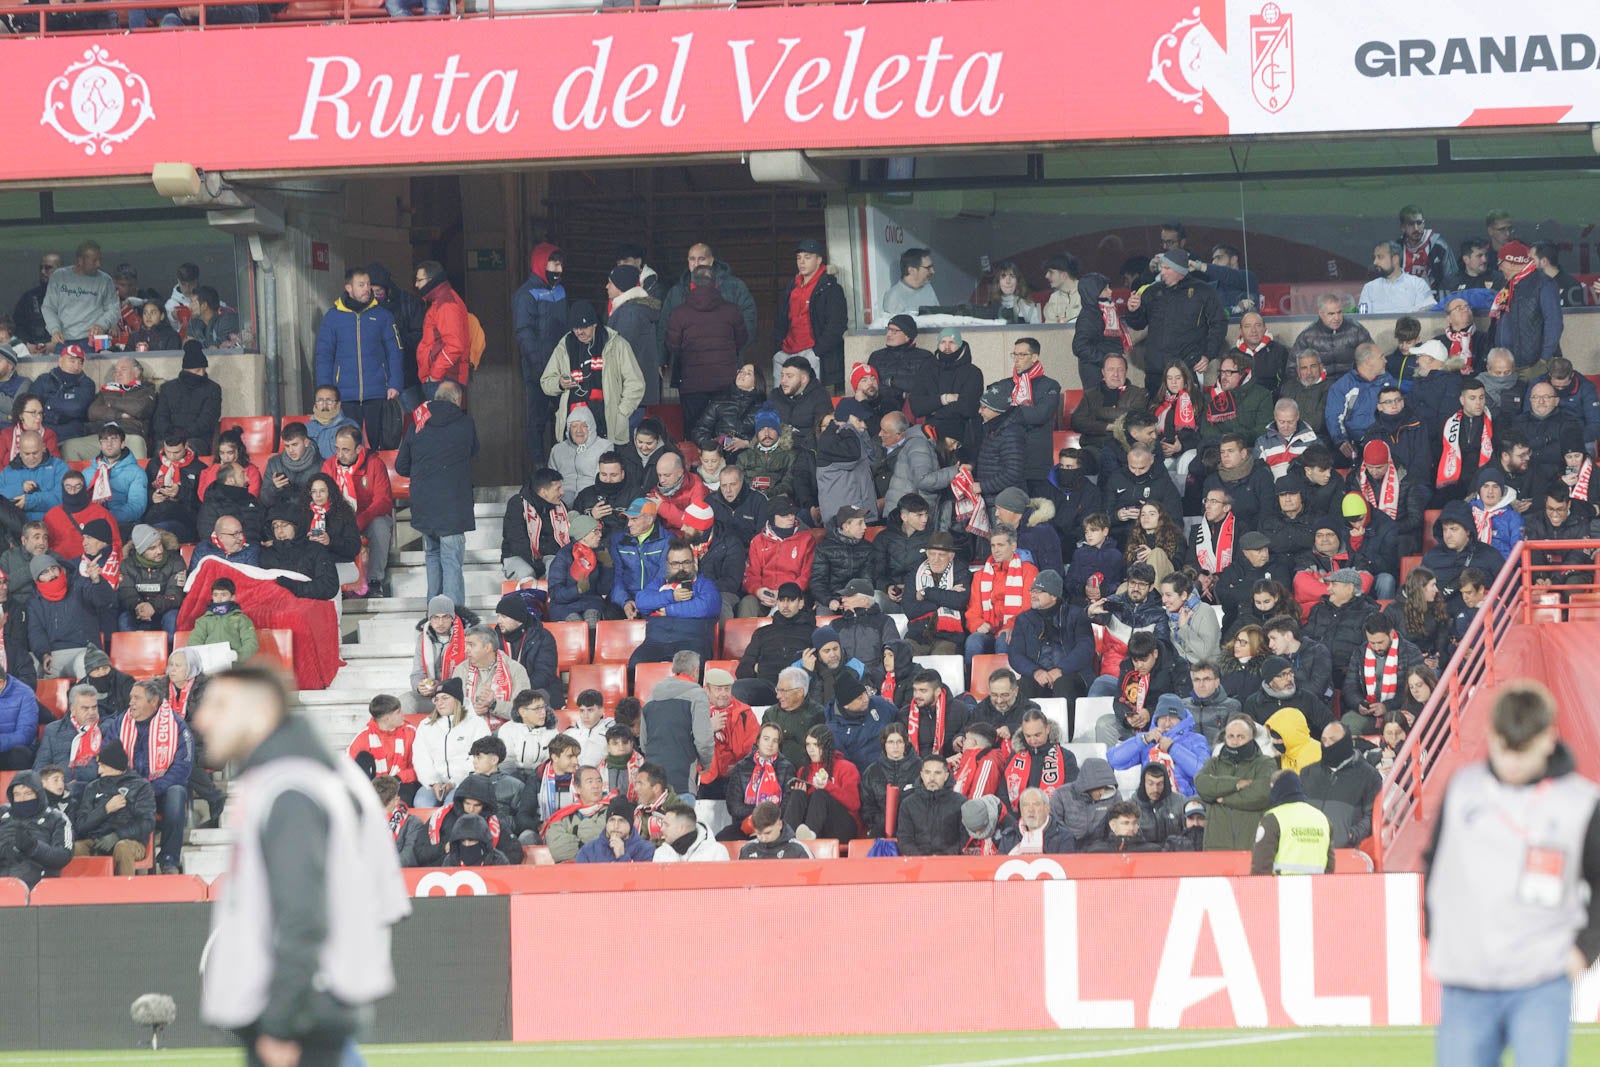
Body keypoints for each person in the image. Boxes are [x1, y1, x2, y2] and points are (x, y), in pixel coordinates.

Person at [195, 667, 408, 1066]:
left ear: (260, 713)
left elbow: (302, 912)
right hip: (315, 999)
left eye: (220, 705)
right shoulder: (309, 775)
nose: (202, 718)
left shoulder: (290, 789)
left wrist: (282, 1022)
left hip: (301, 1010)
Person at [1426, 681, 1600, 1065]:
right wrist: (1435, 932)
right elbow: (1435, 864)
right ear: (1491, 735)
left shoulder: (1581, 803)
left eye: (1523, 750)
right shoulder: (1463, 791)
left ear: (1548, 739)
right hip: (1466, 979)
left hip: (1541, 979)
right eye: (1504, 747)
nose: (1512, 762)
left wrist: (1584, 952)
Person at [396, 379, 478, 607]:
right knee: (451, 561)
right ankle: (454, 616)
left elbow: (401, 466)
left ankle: (433, 614)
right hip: (454, 505)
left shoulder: (418, 422)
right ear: (457, 400)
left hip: (424, 505)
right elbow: (474, 450)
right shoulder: (465, 424)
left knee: (433, 557)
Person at [107, 678, 193, 873]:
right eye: (130, 698)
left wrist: (153, 788)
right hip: (128, 789)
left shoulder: (177, 726)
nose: (131, 703)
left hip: (160, 790)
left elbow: (182, 768)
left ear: (153, 702)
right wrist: (132, 788)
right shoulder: (120, 724)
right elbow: (107, 758)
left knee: (177, 793)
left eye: (136, 698)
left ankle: (169, 859)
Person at [313, 267, 403, 448]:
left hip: (377, 392)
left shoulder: (383, 316)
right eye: (361, 285)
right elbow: (324, 355)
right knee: (348, 446)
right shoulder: (332, 317)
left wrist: (395, 383)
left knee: (379, 446)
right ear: (349, 288)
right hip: (344, 394)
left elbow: (395, 350)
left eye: (368, 284)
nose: (367, 289)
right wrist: (325, 391)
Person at [543, 300, 646, 451]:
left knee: (607, 464)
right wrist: (559, 383)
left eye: (584, 327)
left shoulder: (616, 344)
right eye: (575, 328)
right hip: (574, 425)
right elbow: (546, 382)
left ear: (595, 324)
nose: (579, 332)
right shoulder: (564, 345)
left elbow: (635, 383)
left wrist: (621, 413)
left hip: (607, 423)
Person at [1124, 248, 1226, 383]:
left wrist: (1208, 354)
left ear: (1180, 270)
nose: (1162, 272)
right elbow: (1138, 324)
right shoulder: (1152, 291)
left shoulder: (1203, 291)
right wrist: (1133, 310)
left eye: (1167, 268)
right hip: (1156, 369)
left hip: (1187, 368)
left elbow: (1219, 324)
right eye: (1162, 267)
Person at [322, 426, 395, 596]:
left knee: (380, 526)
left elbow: (383, 501)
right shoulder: (329, 465)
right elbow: (322, 498)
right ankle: (334, 581)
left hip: (367, 518)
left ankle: (375, 580)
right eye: (337, 449)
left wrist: (360, 520)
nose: (340, 455)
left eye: (346, 450)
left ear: (358, 449)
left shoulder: (374, 464)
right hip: (339, 519)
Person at [1007, 570, 1095, 706]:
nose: (1033, 595)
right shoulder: (1023, 619)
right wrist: (1036, 672)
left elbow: (1085, 649)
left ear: (1054, 595)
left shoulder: (1076, 615)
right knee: (1024, 685)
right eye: (1032, 591)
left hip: (1071, 674)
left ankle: (1068, 722)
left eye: (1038, 591)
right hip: (1036, 675)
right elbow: (1015, 654)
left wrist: (1060, 670)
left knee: (1063, 684)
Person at [69, 739, 157, 875]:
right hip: (96, 840)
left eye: (103, 766)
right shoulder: (92, 787)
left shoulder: (141, 786)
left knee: (122, 848)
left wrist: (117, 836)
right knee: (73, 849)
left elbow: (146, 823)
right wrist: (105, 810)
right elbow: (81, 825)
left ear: (115, 765)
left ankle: (124, 888)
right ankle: (79, 889)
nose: (99, 770)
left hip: (130, 841)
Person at [629, 538, 721, 668]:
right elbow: (641, 602)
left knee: (690, 667)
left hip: (691, 642)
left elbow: (706, 607)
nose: (681, 568)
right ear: (668, 565)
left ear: (694, 562)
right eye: (675, 564)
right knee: (635, 665)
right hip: (655, 643)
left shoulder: (704, 584)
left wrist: (669, 610)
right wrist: (672, 596)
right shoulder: (658, 584)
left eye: (686, 562)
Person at [514, 243, 567, 464]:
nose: (559, 269)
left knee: (563, 416)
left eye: (561, 264)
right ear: (540, 264)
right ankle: (539, 466)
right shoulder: (526, 294)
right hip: (538, 368)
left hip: (561, 368)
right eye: (554, 264)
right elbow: (524, 332)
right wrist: (538, 365)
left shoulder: (560, 291)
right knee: (537, 419)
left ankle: (561, 462)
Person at [771, 239, 847, 386]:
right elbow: (782, 320)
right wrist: (779, 347)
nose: (802, 262)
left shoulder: (830, 288)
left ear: (819, 260)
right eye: (798, 258)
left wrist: (817, 351)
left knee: (810, 395)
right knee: (781, 393)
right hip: (787, 350)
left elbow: (837, 325)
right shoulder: (793, 286)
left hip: (813, 352)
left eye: (807, 257)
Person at [638, 650, 714, 796]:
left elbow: (644, 742)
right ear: (696, 671)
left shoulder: (652, 695)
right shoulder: (697, 695)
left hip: (652, 780)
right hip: (682, 779)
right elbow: (704, 740)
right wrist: (705, 764)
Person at [1300, 721, 1381, 848]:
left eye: (1332, 740)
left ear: (1345, 742)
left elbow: (1372, 815)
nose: (1326, 745)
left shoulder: (1369, 775)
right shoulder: (1307, 773)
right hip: (1307, 849)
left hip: (1344, 851)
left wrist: (1351, 835)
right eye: (1324, 740)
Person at [1489, 240, 1562, 377]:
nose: (1499, 268)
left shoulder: (1543, 283)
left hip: (1532, 366)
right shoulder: (1508, 284)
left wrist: (1543, 361)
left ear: (1512, 262)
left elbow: (1554, 323)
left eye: (1500, 263)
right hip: (1507, 365)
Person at [411, 678, 489, 806]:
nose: (440, 703)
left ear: (457, 700)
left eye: (445, 698)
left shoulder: (476, 724)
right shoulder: (425, 725)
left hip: (464, 781)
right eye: (436, 699)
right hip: (435, 784)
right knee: (422, 803)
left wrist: (454, 782)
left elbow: (478, 758)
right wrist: (433, 783)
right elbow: (421, 758)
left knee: (451, 804)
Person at [909, 330, 985, 453]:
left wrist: (934, 409)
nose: (947, 347)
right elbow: (917, 407)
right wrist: (945, 399)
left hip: (964, 437)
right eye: (943, 342)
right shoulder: (927, 370)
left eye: (952, 342)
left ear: (960, 345)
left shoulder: (973, 372)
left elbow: (968, 407)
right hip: (932, 437)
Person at [1248, 769, 1334, 874]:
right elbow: (1330, 866)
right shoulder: (1322, 819)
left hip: (1282, 884)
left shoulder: (1273, 819)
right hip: (1317, 884)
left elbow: (1261, 865)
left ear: (1276, 788)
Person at [0, 770, 73, 886]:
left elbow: (63, 855)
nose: (22, 799)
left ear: (38, 793)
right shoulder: (2, 813)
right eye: (17, 794)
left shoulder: (57, 818)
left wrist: (33, 847)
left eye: (28, 793)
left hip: (37, 884)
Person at [41, 241, 116, 351]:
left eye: (100, 260)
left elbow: (113, 309)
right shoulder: (59, 277)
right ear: (80, 260)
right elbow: (48, 308)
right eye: (94, 260)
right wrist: (55, 330)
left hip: (92, 341)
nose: (98, 264)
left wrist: (101, 325)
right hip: (63, 339)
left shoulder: (105, 280)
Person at [453, 624, 531, 727]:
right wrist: (469, 712)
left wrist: (494, 704)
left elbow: (524, 711)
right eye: (466, 645)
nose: (466, 650)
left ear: (487, 647)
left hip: (506, 731)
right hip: (469, 731)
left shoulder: (516, 670)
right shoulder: (460, 670)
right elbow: (452, 708)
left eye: (471, 645)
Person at [117, 523, 184, 641]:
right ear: (141, 551)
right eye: (152, 548)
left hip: (165, 609)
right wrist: (139, 607)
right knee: (124, 619)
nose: (159, 551)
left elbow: (175, 595)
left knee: (173, 618)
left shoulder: (175, 561)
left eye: (160, 545)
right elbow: (126, 593)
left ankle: (171, 651)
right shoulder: (127, 565)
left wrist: (153, 606)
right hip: (138, 611)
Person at [412, 260, 470, 394]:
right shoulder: (441, 300)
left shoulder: (446, 304)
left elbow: (455, 346)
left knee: (439, 409)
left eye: (419, 280)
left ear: (432, 280)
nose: (416, 285)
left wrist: (435, 374)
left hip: (444, 378)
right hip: (443, 376)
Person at [896, 754, 966, 855]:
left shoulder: (961, 803)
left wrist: (944, 857)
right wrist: (922, 859)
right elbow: (904, 839)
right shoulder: (908, 804)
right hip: (917, 861)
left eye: (937, 773)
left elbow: (964, 839)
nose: (932, 778)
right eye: (927, 772)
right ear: (921, 775)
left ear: (946, 776)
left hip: (951, 861)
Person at [766, 667, 826, 769]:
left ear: (800, 692)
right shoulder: (771, 714)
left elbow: (821, 750)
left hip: (806, 771)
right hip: (773, 770)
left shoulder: (817, 714)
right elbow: (760, 747)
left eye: (783, 691)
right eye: (778, 690)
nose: (778, 696)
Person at [189, 577, 260, 661]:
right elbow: (194, 642)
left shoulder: (242, 619)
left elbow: (251, 642)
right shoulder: (203, 621)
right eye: (216, 595)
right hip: (209, 664)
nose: (219, 599)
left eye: (223, 595)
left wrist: (238, 655)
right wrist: (203, 658)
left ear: (232, 597)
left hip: (235, 664)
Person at [1360, 240, 1435, 313]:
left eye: (1380, 257)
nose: (1375, 262)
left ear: (1395, 259)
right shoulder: (1369, 288)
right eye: (1375, 257)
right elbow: (1363, 318)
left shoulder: (1417, 284)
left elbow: (1428, 313)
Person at [575, 796, 657, 863]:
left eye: (621, 821)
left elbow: (642, 878)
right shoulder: (588, 851)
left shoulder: (646, 850)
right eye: (612, 820)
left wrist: (622, 857)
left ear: (630, 824)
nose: (616, 826)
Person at [738, 800, 815, 859]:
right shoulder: (747, 850)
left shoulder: (798, 849)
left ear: (779, 825)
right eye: (758, 833)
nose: (763, 838)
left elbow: (813, 874)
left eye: (767, 833)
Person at [880, 247, 939, 317]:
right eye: (928, 268)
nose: (933, 271)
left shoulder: (927, 287)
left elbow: (938, 317)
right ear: (911, 270)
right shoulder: (894, 297)